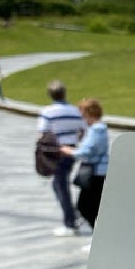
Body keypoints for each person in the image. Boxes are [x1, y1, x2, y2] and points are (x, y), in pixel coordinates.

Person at [37, 80, 86, 236]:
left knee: (61, 185)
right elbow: (83, 129)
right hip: (71, 150)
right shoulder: (75, 111)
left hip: (56, 150)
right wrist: (75, 140)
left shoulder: (47, 111)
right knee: (59, 183)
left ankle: (70, 223)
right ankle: (72, 215)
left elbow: (43, 132)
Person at [61, 98, 109, 252]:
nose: (82, 117)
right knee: (91, 206)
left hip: (96, 173)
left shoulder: (97, 130)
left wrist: (70, 152)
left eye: (83, 113)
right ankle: (99, 239)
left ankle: (99, 240)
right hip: (97, 172)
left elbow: (88, 151)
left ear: (89, 113)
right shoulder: (97, 129)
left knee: (86, 206)